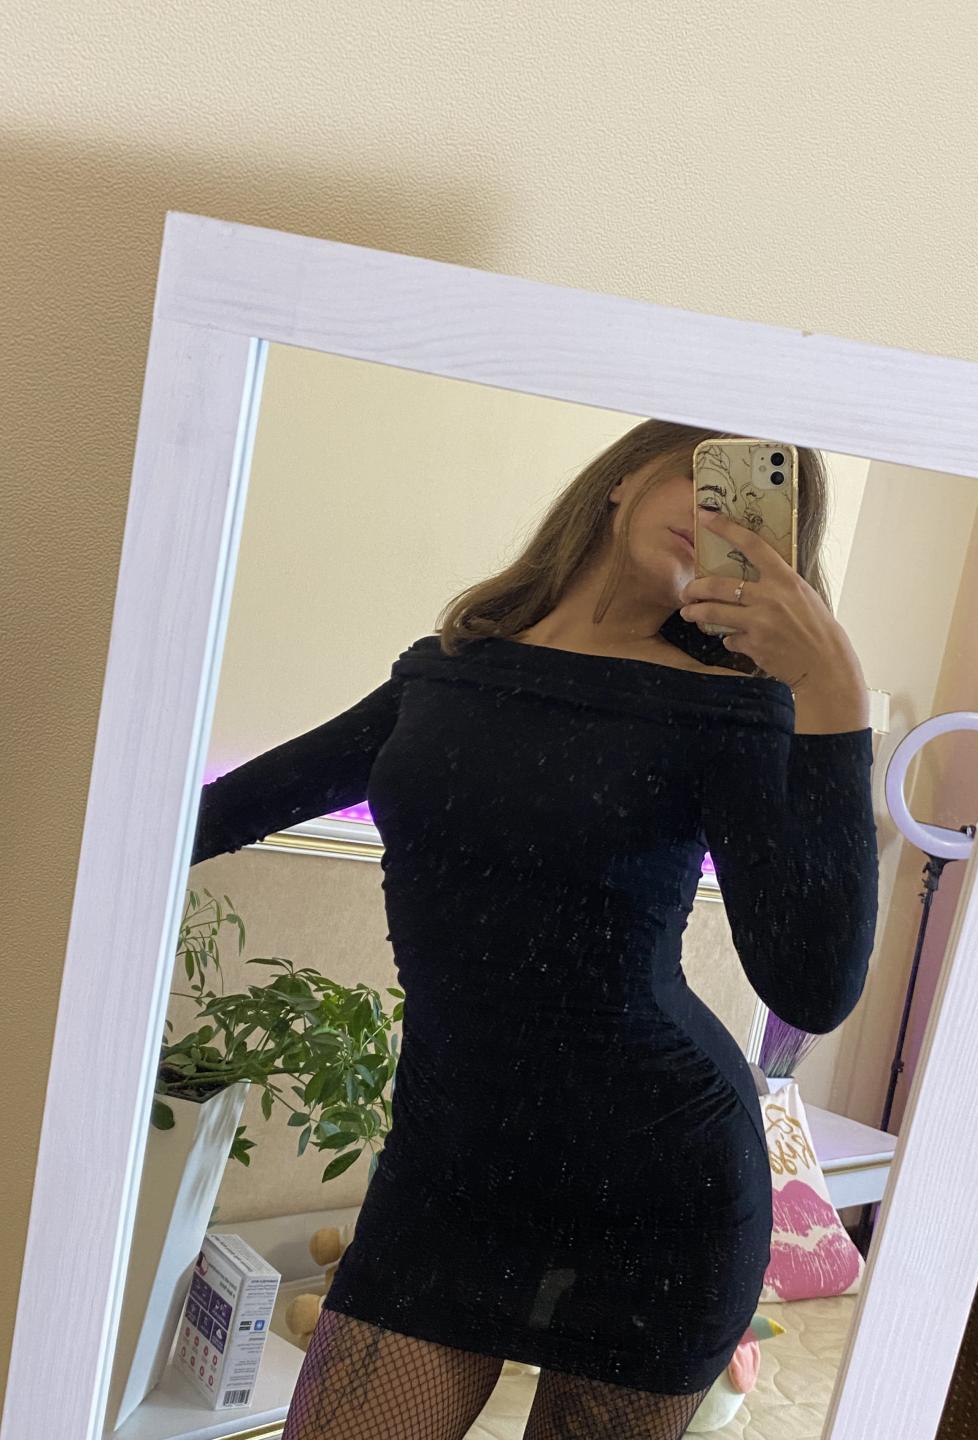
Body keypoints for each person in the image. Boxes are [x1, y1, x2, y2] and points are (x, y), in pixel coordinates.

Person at [191, 418, 878, 1439]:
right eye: (707, 481)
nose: (722, 521)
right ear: (626, 475)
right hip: (446, 1175)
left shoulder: (733, 713)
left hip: (664, 1193)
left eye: (757, 512)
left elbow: (813, 986)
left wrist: (831, 692)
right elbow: (207, 819)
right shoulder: (445, 674)